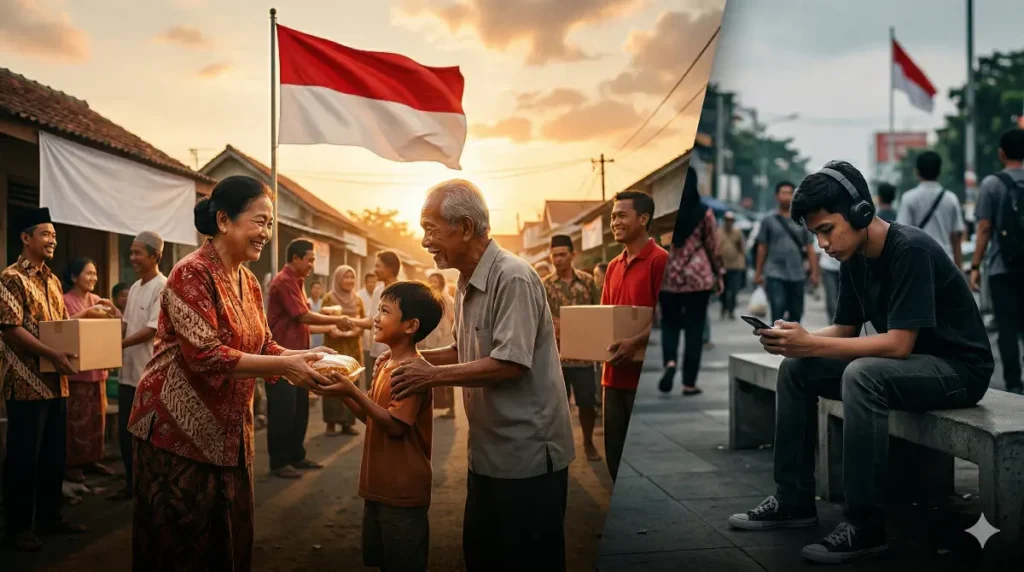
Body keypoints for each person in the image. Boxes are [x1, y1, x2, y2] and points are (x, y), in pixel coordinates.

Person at [727, 161, 994, 565]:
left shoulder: (911, 249)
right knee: (797, 370)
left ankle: (865, 525)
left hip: (959, 370)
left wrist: (812, 344)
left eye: (826, 230)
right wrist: (799, 341)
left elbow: (900, 344)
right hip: (916, 366)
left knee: (862, 375)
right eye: (816, 234)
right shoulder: (855, 258)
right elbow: (846, 329)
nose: (822, 245)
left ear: (860, 212)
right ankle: (794, 501)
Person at [127, 175, 337, 570]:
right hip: (176, 431)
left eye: (270, 224)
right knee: (181, 545)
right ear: (224, 221)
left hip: (227, 430)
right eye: (259, 221)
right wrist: (285, 365)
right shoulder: (191, 272)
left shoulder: (249, 281)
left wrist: (305, 359)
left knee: (226, 537)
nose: (267, 233)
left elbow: (263, 345)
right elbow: (205, 355)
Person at [372, 179, 576, 572]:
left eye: (431, 229)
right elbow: (463, 351)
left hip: (527, 454)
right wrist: (402, 359)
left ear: (465, 227)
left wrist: (428, 377)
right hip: (487, 452)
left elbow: (510, 365)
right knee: (484, 554)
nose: (425, 240)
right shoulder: (465, 280)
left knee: (528, 559)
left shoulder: (512, 277)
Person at [314, 281, 443, 572]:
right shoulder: (386, 363)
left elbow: (396, 427)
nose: (375, 317)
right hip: (378, 486)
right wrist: (343, 392)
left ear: (411, 326)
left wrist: (352, 391)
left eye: (385, 311)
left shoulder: (411, 371)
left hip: (402, 490)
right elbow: (370, 416)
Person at [0, 207, 87, 552]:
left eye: (54, 235)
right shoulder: (10, 278)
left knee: (54, 454)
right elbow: (10, 329)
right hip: (24, 382)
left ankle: (51, 518)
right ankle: (19, 527)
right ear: (25, 238)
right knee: (24, 458)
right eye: (45, 234)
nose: (53, 240)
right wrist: (53, 354)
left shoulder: (52, 280)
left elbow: (62, 328)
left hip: (56, 381)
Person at [265, 238, 351, 478]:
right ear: (296, 258)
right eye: (310, 259)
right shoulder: (283, 282)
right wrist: (336, 320)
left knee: (299, 409)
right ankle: (280, 462)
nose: (313, 264)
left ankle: (296, 456)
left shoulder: (297, 282)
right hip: (281, 356)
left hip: (300, 356)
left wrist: (327, 329)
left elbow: (302, 322)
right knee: (283, 411)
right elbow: (302, 316)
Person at [601, 190, 668, 480]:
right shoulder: (613, 266)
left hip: (642, 375)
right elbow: (604, 317)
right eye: (613, 216)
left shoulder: (660, 260)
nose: (615, 221)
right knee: (614, 453)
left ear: (644, 218)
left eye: (621, 215)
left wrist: (635, 341)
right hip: (611, 376)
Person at [108, 231, 166, 501]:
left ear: (155, 255)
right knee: (125, 434)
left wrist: (117, 345)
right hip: (127, 375)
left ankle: (149, 488)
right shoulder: (134, 287)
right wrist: (106, 337)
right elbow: (127, 325)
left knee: (148, 435)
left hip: (149, 375)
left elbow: (150, 330)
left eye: (137, 253)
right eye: (130, 252)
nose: (132, 258)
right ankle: (132, 483)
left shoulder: (163, 287)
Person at [659, 168, 722, 396]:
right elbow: (714, 247)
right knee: (695, 330)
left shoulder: (668, 213)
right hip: (698, 278)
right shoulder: (704, 212)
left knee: (670, 324)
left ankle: (669, 362)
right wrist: (719, 274)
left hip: (668, 279)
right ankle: (688, 383)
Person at [971, 128, 1024, 395]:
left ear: (1001, 154)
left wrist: (976, 266)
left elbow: (983, 228)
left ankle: (1014, 383)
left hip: (1002, 268)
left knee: (1006, 326)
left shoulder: (992, 184)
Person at [62, 257, 122, 483]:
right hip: (77, 373)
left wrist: (112, 308)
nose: (93, 278)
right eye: (88, 273)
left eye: (95, 274)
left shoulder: (97, 299)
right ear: (74, 277)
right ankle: (73, 464)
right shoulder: (65, 300)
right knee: (76, 421)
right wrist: (87, 314)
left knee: (97, 419)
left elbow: (117, 323)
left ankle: (92, 460)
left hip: (99, 371)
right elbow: (62, 325)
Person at [544, 234, 602, 461]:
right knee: (556, 406)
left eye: (562, 255)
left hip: (583, 356)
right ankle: (557, 447)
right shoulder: (545, 285)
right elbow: (538, 317)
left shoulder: (588, 282)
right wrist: (553, 324)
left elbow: (599, 314)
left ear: (573, 255)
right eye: (554, 255)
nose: (558, 259)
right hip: (554, 357)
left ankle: (588, 442)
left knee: (587, 403)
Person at [755, 181, 820, 323]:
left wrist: (814, 272)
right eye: (783, 193)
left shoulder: (802, 220)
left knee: (796, 312)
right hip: (774, 272)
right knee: (777, 309)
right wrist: (758, 272)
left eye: (790, 193)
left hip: (797, 274)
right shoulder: (768, 220)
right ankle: (777, 342)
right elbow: (762, 247)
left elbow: (810, 247)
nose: (787, 196)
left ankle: (792, 342)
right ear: (776, 196)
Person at [896, 151, 965, 268]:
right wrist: (959, 271)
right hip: (946, 262)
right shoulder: (951, 199)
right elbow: (956, 238)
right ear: (939, 172)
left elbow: (903, 235)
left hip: (918, 263)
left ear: (917, 172)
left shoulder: (909, 198)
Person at [320, 265, 365, 436]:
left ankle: (348, 422)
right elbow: (322, 320)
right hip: (334, 348)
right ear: (338, 279)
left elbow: (363, 322)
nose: (349, 281)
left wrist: (352, 331)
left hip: (353, 348)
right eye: (345, 277)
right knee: (330, 381)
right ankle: (331, 423)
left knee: (351, 384)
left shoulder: (358, 299)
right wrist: (335, 330)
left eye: (352, 277)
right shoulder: (328, 298)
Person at [419, 271, 457, 419]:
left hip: (444, 340)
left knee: (447, 374)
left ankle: (451, 407)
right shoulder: (429, 299)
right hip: (431, 340)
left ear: (441, 283)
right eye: (431, 281)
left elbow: (453, 319)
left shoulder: (447, 300)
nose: (433, 284)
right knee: (432, 375)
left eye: (435, 281)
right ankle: (433, 407)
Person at [717, 211, 747, 320]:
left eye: (731, 221)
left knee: (733, 290)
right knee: (723, 290)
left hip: (736, 265)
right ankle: (724, 307)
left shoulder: (737, 233)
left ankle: (731, 310)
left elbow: (743, 248)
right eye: (727, 220)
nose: (729, 223)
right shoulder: (719, 232)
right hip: (722, 266)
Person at [358, 272, 378, 389]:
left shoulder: (380, 293)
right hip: (364, 337)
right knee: (367, 368)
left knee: (377, 369)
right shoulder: (359, 295)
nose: (371, 284)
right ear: (365, 283)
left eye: (373, 282)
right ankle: (368, 393)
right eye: (369, 282)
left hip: (377, 338)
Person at [308, 280, 325, 350]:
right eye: (314, 288)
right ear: (311, 290)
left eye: (318, 288)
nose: (316, 290)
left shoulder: (323, 303)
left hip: (321, 333)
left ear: (321, 290)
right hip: (310, 332)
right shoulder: (307, 302)